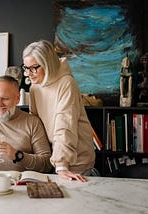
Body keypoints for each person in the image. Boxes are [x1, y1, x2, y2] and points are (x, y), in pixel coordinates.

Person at [22, 40, 96, 182]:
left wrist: (62, 164)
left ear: (47, 64)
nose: (29, 74)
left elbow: (65, 124)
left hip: (75, 159)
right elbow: (35, 122)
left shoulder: (67, 83)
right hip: (54, 157)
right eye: (26, 68)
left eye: (34, 68)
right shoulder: (34, 88)